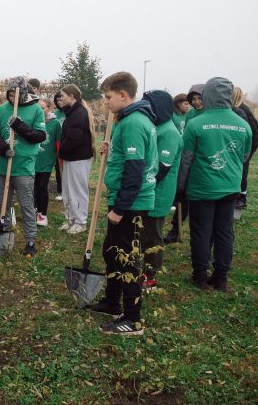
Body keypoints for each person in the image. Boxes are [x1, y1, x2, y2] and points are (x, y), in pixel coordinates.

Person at [89, 72, 157, 336]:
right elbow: (129, 157)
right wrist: (113, 148)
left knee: (126, 258)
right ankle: (111, 301)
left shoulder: (133, 123)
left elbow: (135, 170)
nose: (105, 102)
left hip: (130, 203)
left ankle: (132, 318)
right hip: (124, 199)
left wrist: (119, 208)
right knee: (111, 251)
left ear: (122, 95)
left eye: (107, 97)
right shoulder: (128, 121)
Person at [177, 77, 251, 292]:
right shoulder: (242, 124)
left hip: (202, 189)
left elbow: (186, 160)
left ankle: (200, 275)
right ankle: (221, 277)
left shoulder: (195, 124)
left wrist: (180, 188)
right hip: (230, 187)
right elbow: (244, 156)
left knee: (201, 232)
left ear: (207, 95)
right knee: (224, 232)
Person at [0, 77, 47, 256]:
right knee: (3, 201)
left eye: (16, 95)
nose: (13, 98)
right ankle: (4, 233)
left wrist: (19, 126)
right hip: (2, 166)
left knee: (27, 204)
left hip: (24, 166)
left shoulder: (36, 109)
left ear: (24, 94)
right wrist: (4, 149)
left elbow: (40, 136)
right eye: (10, 94)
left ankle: (30, 240)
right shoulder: (3, 109)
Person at [140, 90, 182, 292]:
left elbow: (162, 168)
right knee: (142, 232)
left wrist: (142, 185)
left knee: (152, 235)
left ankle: (151, 275)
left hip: (158, 193)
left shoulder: (170, 133)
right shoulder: (157, 128)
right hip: (148, 190)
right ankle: (141, 268)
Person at [164, 83, 204, 244]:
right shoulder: (191, 114)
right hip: (188, 159)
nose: (195, 102)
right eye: (192, 99)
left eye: (199, 98)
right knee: (183, 196)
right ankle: (175, 229)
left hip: (204, 165)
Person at [57, 84, 96, 234]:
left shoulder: (79, 113)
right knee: (68, 189)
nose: (61, 98)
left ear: (72, 97)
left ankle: (80, 222)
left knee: (78, 190)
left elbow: (74, 138)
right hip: (70, 157)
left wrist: (62, 150)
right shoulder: (72, 112)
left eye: (63, 95)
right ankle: (71, 219)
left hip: (78, 158)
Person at [231, 86, 258, 212]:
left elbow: (252, 130)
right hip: (242, 146)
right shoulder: (237, 108)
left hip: (246, 147)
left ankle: (241, 198)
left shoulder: (242, 109)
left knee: (242, 171)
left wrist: (249, 149)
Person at [34, 98, 60, 227]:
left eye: (43, 107)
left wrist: (59, 158)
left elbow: (58, 142)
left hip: (47, 161)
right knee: (33, 187)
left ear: (49, 108)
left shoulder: (55, 124)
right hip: (33, 160)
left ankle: (43, 214)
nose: (40, 110)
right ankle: (34, 210)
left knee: (42, 187)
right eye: (38, 107)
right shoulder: (35, 121)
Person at [52, 92, 65, 200]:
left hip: (67, 143)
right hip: (57, 144)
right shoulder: (55, 114)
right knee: (58, 168)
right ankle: (60, 191)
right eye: (57, 100)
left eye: (61, 100)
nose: (59, 102)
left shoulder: (69, 112)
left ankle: (68, 190)